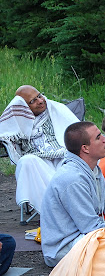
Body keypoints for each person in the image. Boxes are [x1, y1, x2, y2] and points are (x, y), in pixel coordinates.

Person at [0, 85, 78, 213]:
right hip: (39, 164)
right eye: (33, 101)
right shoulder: (18, 120)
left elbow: (78, 134)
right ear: (24, 107)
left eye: (39, 96)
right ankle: (52, 211)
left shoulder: (57, 110)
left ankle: (69, 207)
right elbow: (5, 131)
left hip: (65, 158)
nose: (40, 101)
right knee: (26, 161)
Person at [40, 122, 105, 267]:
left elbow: (100, 215)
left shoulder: (93, 169)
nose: (104, 139)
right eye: (98, 137)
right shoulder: (73, 179)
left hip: (83, 237)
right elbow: (90, 227)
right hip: (62, 248)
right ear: (85, 148)